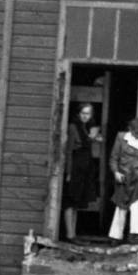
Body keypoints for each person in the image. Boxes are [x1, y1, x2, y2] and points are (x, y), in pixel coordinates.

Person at [107, 118, 138, 243]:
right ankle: (115, 236)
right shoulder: (121, 138)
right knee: (121, 206)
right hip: (123, 177)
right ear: (130, 129)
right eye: (136, 132)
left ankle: (135, 235)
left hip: (137, 178)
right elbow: (113, 158)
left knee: (137, 205)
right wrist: (116, 172)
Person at [62, 103, 100, 240]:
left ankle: (73, 234)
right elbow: (69, 150)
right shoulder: (73, 127)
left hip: (84, 169)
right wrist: (69, 172)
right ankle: (69, 234)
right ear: (78, 113)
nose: (85, 116)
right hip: (75, 168)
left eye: (88, 114)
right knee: (70, 201)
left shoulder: (87, 128)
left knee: (76, 202)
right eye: (83, 113)